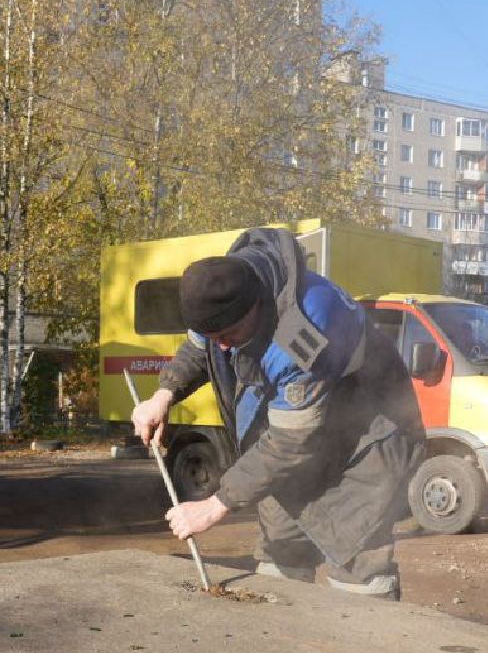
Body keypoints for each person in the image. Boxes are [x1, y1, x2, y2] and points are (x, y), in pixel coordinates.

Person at [130, 227, 425, 600]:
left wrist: (215, 505)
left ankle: (362, 633)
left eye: (230, 335)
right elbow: (200, 348)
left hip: (366, 441)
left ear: (255, 304)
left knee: (355, 556)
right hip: (295, 434)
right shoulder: (224, 293)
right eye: (214, 336)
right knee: (281, 547)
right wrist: (164, 394)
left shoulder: (304, 335)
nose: (223, 347)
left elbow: (291, 442)